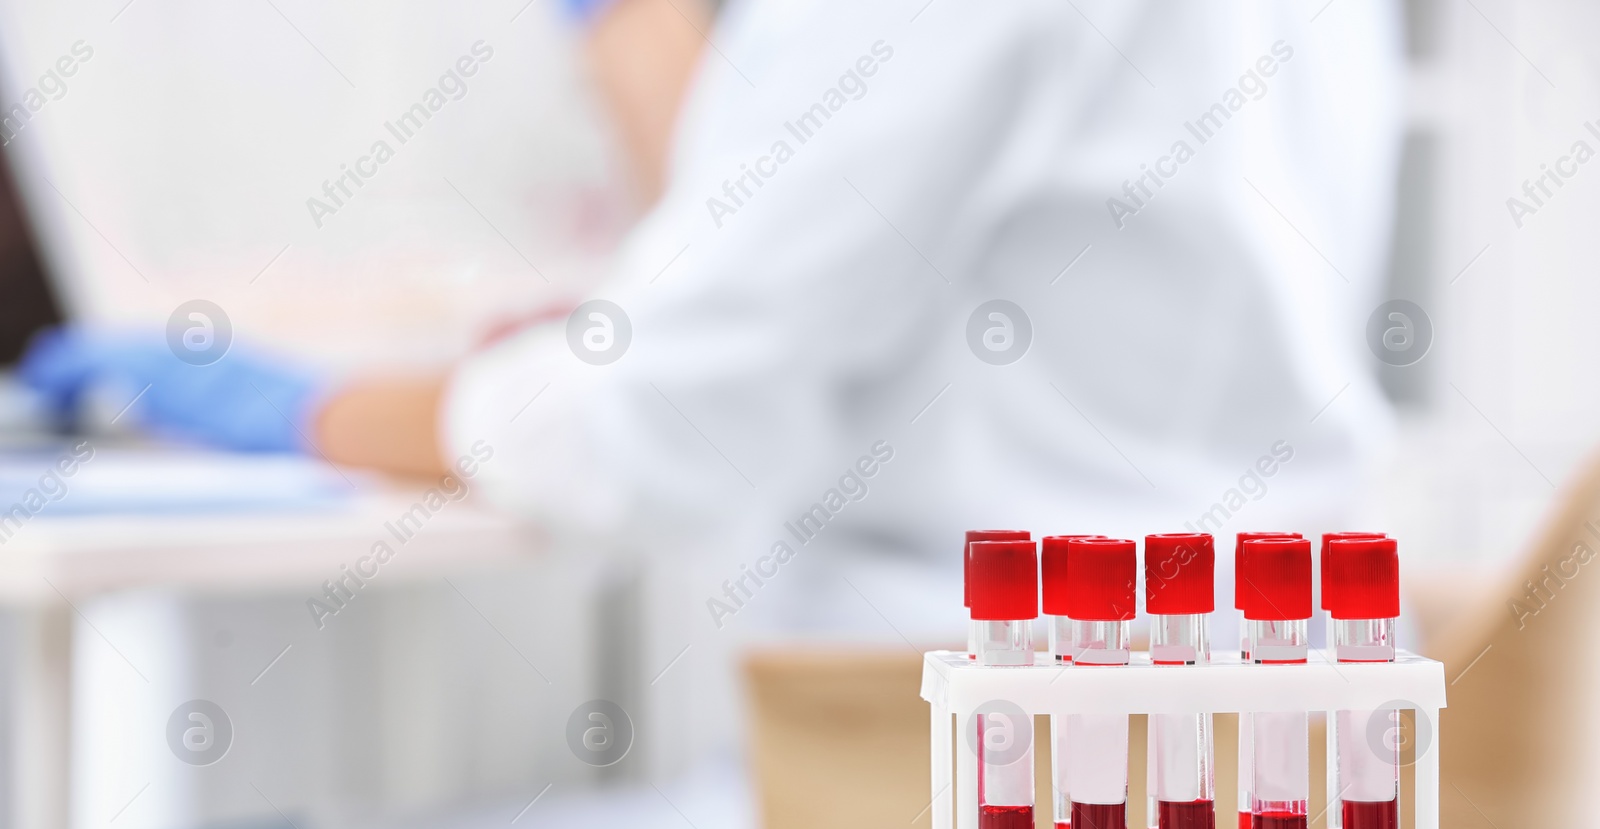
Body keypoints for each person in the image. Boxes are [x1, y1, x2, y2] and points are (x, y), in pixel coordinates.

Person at [20, 0, 1406, 639]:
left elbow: (657, 423)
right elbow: (943, 284)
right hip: (1251, 733)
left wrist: (301, 410)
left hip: (977, 759)